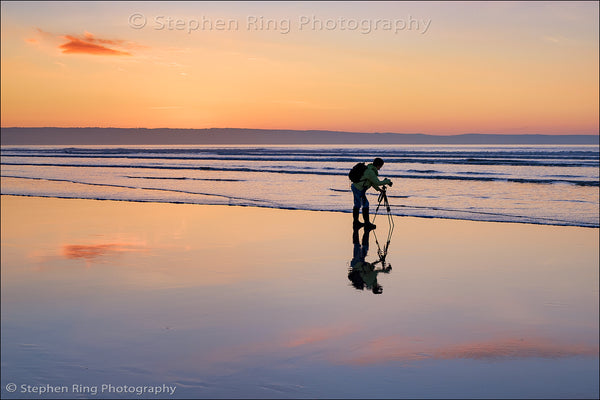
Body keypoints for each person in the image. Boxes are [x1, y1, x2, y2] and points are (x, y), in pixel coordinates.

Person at [351, 157, 392, 230]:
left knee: (358, 204)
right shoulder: (370, 172)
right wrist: (387, 181)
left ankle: (356, 222)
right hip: (358, 188)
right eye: (380, 166)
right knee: (364, 204)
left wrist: (379, 190)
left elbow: (372, 183)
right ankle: (366, 223)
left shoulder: (369, 169)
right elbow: (377, 182)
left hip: (357, 187)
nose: (380, 168)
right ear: (379, 165)